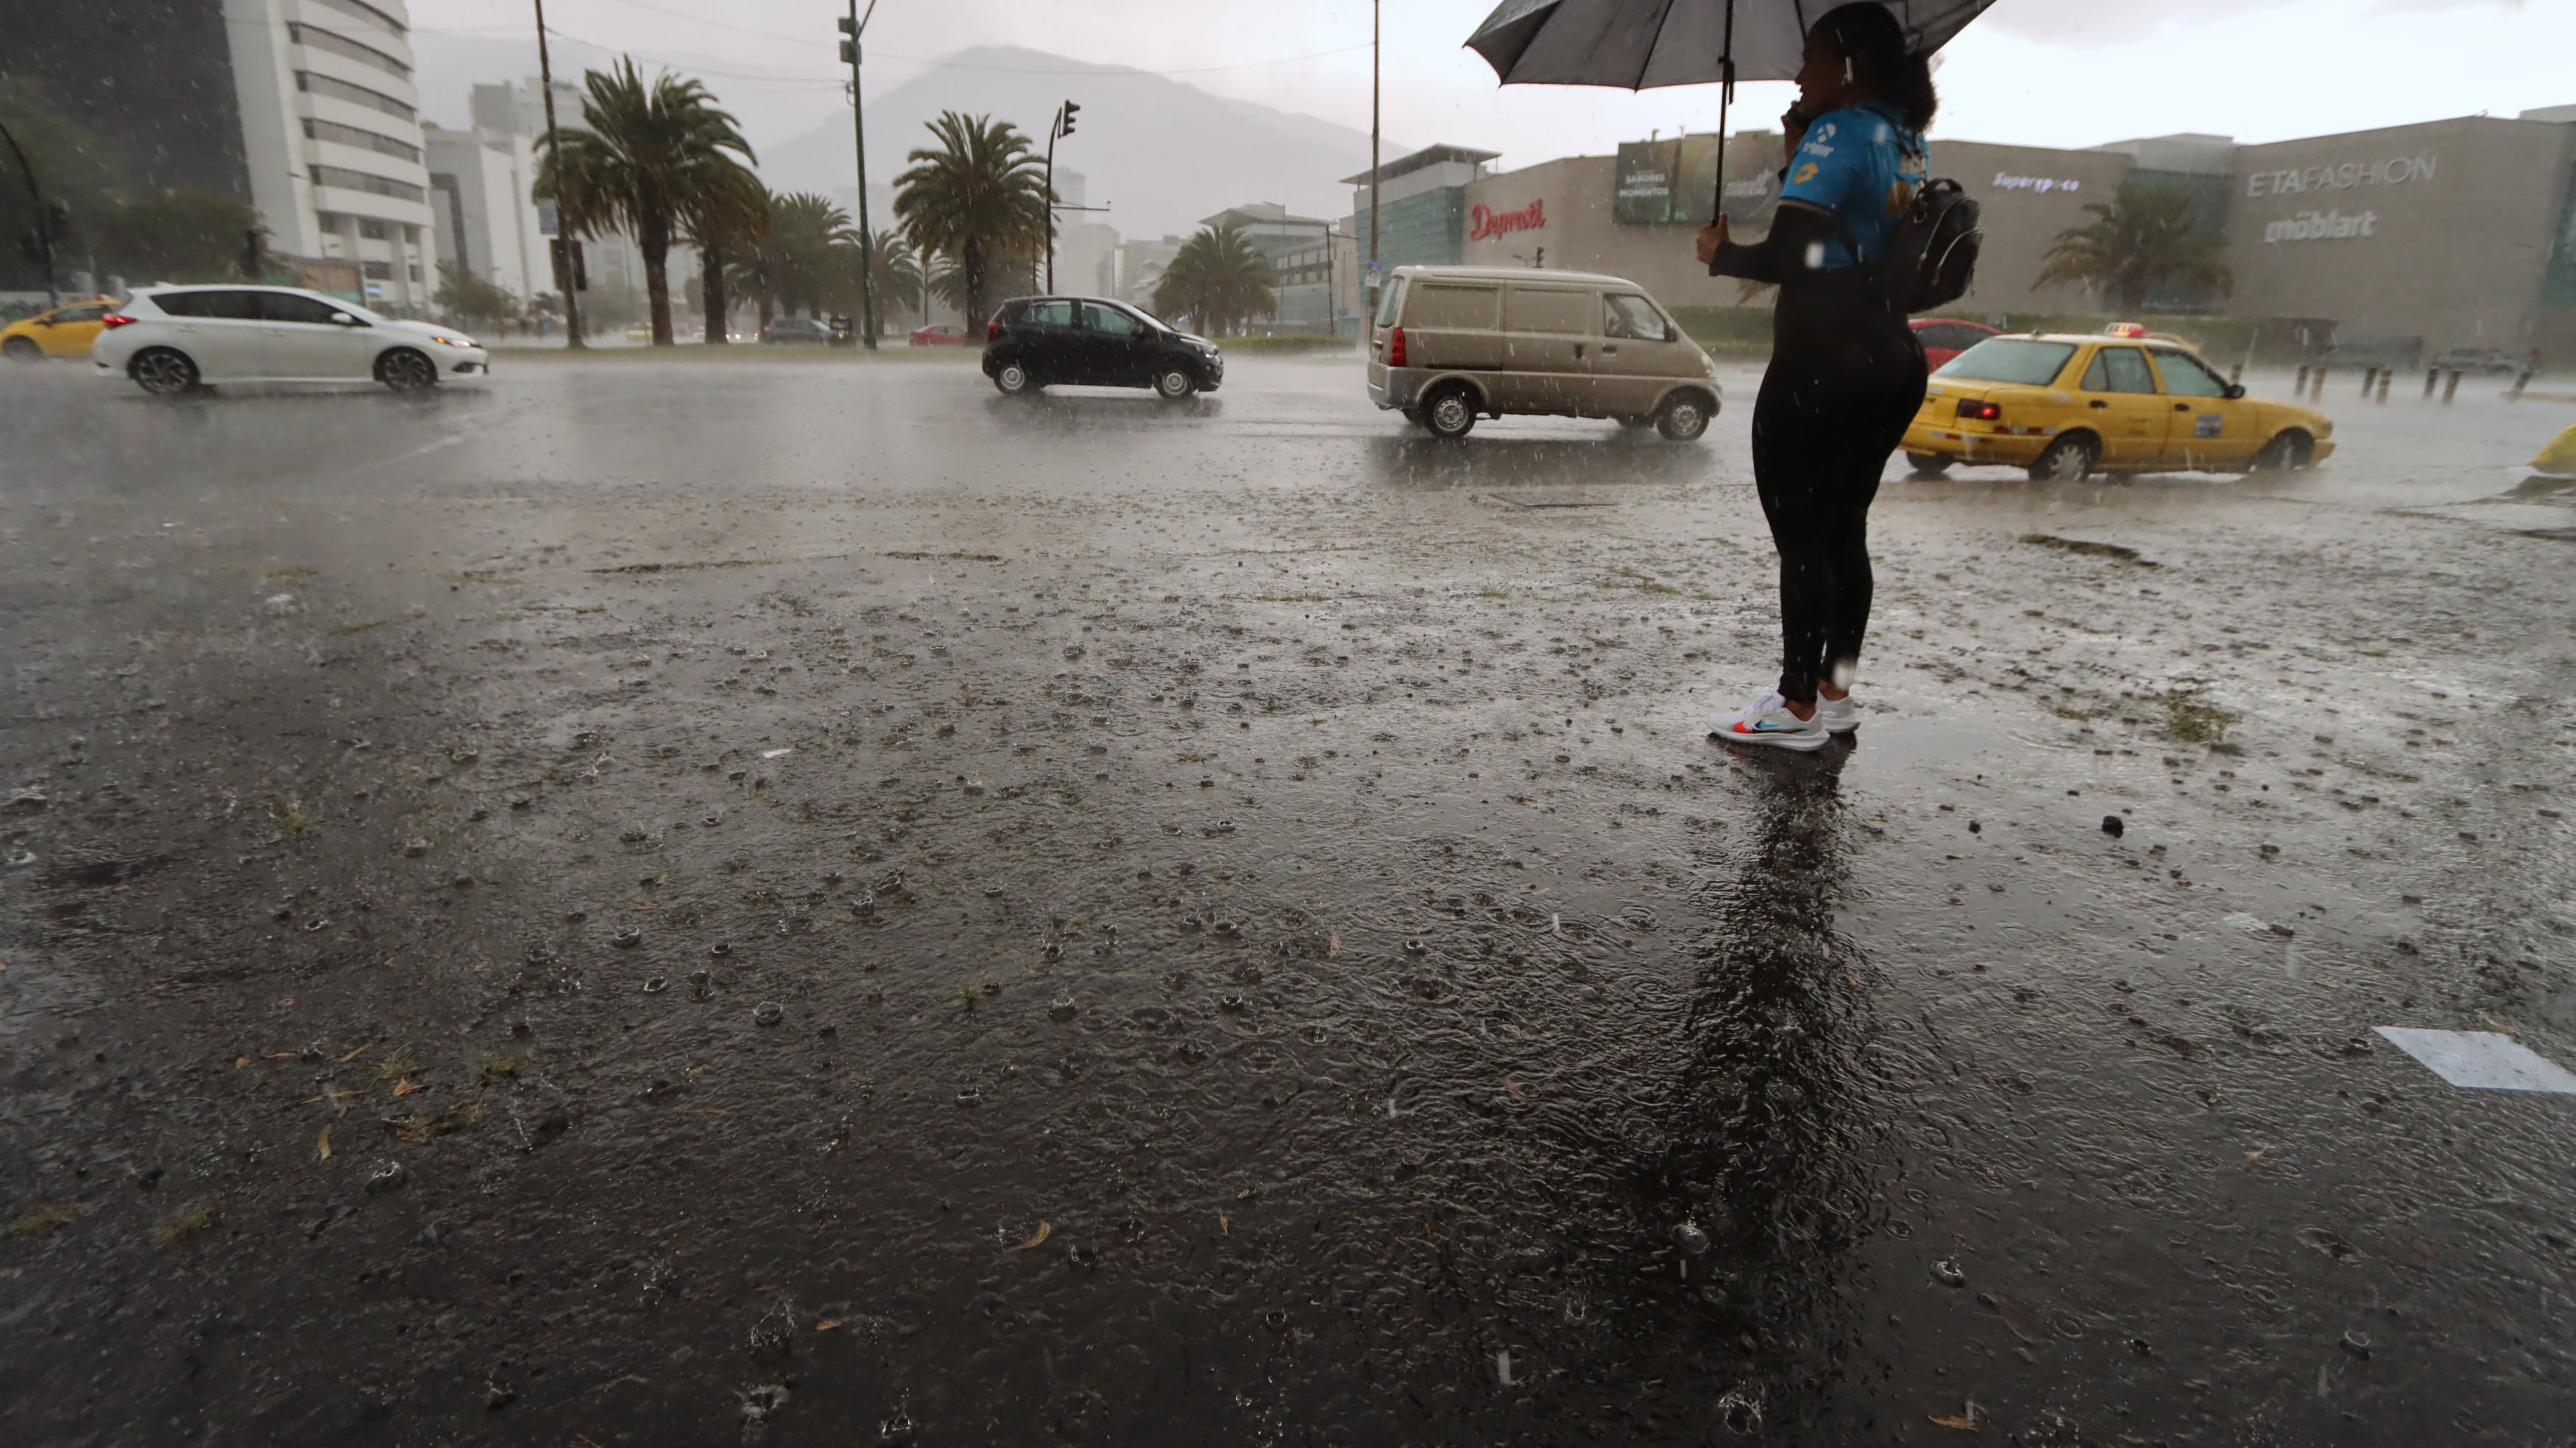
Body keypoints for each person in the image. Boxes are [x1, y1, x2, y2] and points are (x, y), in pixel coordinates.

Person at [1695, 1, 1935, 752]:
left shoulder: (1838, 132)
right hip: (1888, 354)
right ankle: (1834, 692)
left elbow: (1788, 255)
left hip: (1821, 358)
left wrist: (1721, 252)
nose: (1799, 75)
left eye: (1810, 58)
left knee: (1801, 534)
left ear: (1849, 67)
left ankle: (1794, 705)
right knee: (1843, 532)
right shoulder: (1903, 137)